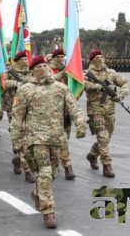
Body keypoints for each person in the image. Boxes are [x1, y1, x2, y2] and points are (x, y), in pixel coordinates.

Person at [10, 55, 88, 228]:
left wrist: (81, 122)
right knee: (44, 172)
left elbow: (73, 108)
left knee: (52, 173)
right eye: (39, 66)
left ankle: (37, 192)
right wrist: (16, 140)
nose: (44, 67)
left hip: (56, 138)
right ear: (33, 70)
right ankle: (48, 211)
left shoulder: (61, 87)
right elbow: (17, 117)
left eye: (46, 64)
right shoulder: (25, 90)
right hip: (35, 138)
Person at [84, 49, 129, 178]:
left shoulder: (111, 73)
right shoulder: (88, 73)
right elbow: (82, 84)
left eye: (101, 56)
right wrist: (97, 86)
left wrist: (122, 94)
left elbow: (125, 83)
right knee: (103, 137)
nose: (100, 58)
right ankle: (107, 165)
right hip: (95, 110)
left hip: (110, 110)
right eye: (97, 56)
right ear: (92, 60)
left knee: (106, 138)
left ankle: (92, 154)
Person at [2, 51, 35, 182]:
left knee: (29, 137)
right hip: (14, 108)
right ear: (19, 60)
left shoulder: (32, 72)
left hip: (31, 109)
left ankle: (17, 158)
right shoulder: (10, 72)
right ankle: (27, 170)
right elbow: (2, 82)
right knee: (18, 137)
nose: (26, 61)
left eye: (27, 59)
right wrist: (16, 83)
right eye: (24, 59)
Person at [49, 49, 76, 180]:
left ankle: (56, 160)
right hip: (52, 112)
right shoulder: (47, 70)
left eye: (63, 56)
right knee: (62, 139)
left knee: (64, 138)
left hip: (66, 112)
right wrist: (64, 72)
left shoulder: (69, 72)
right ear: (53, 58)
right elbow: (50, 80)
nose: (61, 59)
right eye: (58, 56)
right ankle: (67, 166)